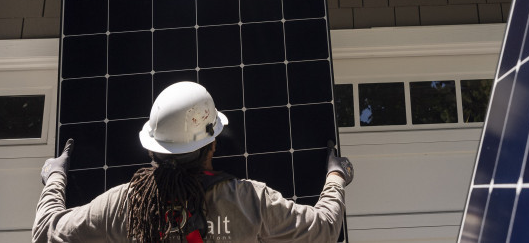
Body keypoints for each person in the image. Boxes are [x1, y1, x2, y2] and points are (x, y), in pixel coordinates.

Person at [33, 81, 352, 242]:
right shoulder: (249, 201)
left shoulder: (125, 205)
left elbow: (48, 234)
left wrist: (55, 178)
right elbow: (323, 229)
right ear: (211, 145)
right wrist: (336, 176)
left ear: (151, 150)